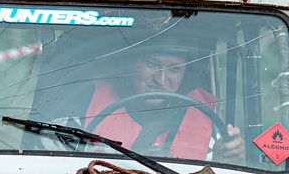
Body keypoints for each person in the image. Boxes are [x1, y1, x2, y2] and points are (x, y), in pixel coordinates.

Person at [81, 46, 246, 164]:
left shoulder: (210, 121)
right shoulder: (85, 103)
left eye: (174, 70)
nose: (161, 80)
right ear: (130, 63)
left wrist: (223, 159)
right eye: (152, 65)